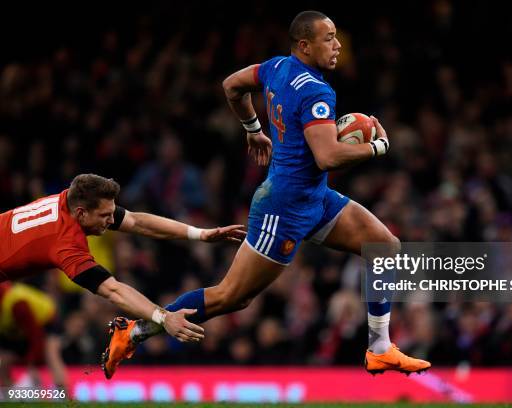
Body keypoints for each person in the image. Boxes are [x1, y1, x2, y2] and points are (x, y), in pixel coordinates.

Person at [103, 10, 430, 379]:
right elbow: (328, 156)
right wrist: (379, 148)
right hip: (284, 207)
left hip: (313, 198)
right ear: (304, 46)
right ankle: (134, 331)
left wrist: (252, 128)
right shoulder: (316, 90)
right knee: (232, 296)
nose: (338, 46)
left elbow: (232, 85)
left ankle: (380, 347)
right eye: (329, 38)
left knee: (384, 246)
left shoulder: (276, 67)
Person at [0, 173, 245, 354]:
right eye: (105, 216)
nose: (111, 221)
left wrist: (200, 234)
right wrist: (163, 317)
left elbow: (137, 222)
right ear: (82, 214)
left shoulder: (71, 200)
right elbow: (114, 290)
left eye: (112, 213)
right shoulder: (66, 244)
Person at [0, 282, 66, 390]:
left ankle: (64, 396)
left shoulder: (17, 304)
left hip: (47, 320)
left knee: (51, 354)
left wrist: (32, 363)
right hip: (20, 329)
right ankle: (10, 396)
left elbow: (35, 335)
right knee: (3, 361)